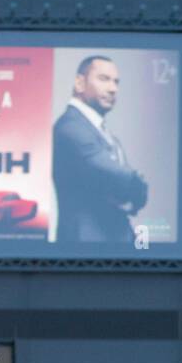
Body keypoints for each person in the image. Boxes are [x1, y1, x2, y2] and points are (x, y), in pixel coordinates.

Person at [52, 55, 149, 245]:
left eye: (116, 82)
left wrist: (132, 191)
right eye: (104, 79)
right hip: (85, 250)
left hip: (113, 247)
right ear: (79, 83)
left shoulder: (104, 133)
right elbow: (121, 179)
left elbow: (129, 186)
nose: (113, 89)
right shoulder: (70, 128)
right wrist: (136, 186)